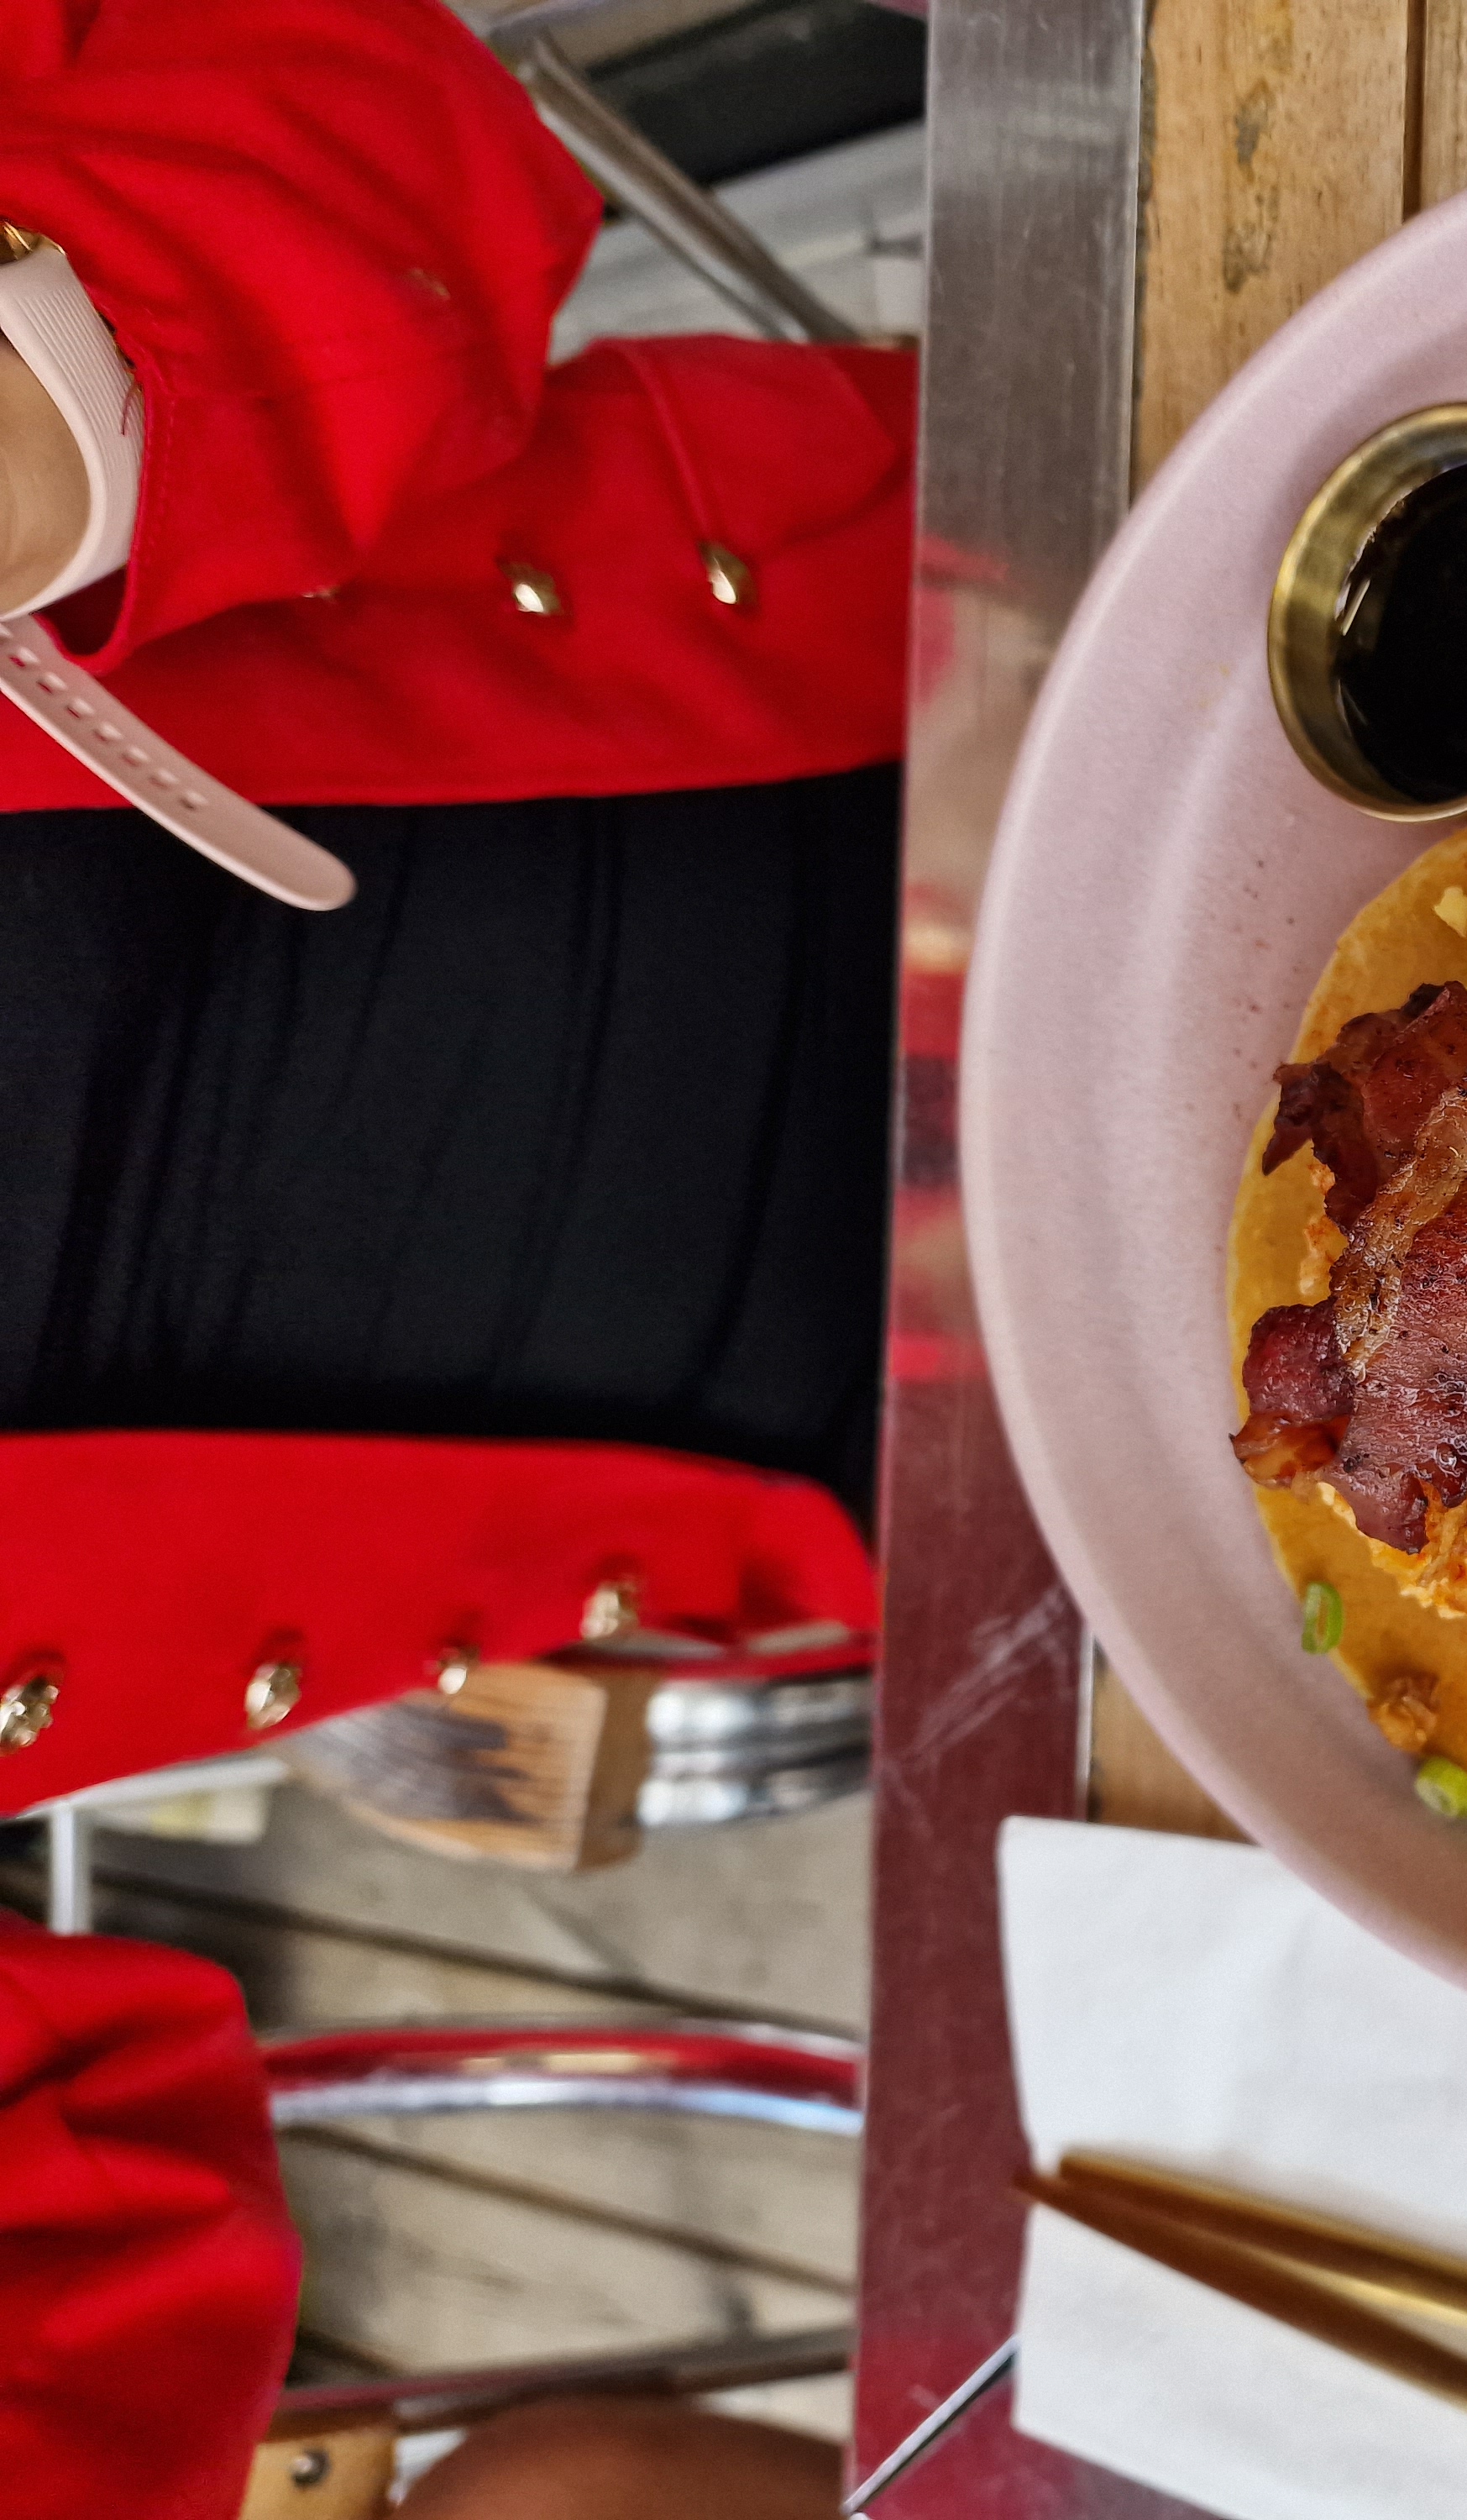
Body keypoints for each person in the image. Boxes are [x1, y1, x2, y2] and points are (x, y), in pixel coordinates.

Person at [0, 0, 918, 2504]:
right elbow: (100, 2268)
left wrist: (40, 405)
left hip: (1049, 644)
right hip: (985, 1476)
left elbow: (388, 109)